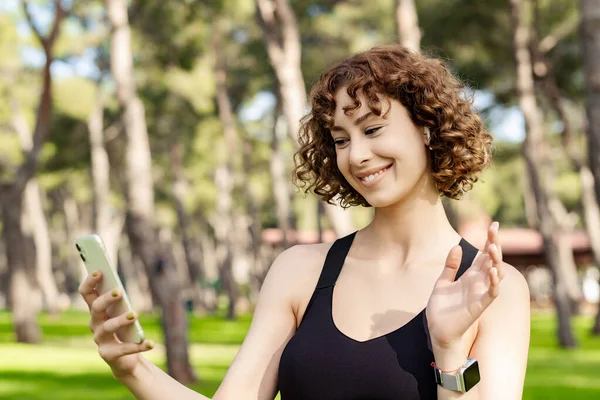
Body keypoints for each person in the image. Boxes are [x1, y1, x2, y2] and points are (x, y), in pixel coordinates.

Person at [79, 45, 530, 399]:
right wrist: (131, 367)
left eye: (372, 130)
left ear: (427, 128)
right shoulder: (300, 271)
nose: (357, 155)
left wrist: (450, 355)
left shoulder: (495, 288)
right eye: (340, 139)